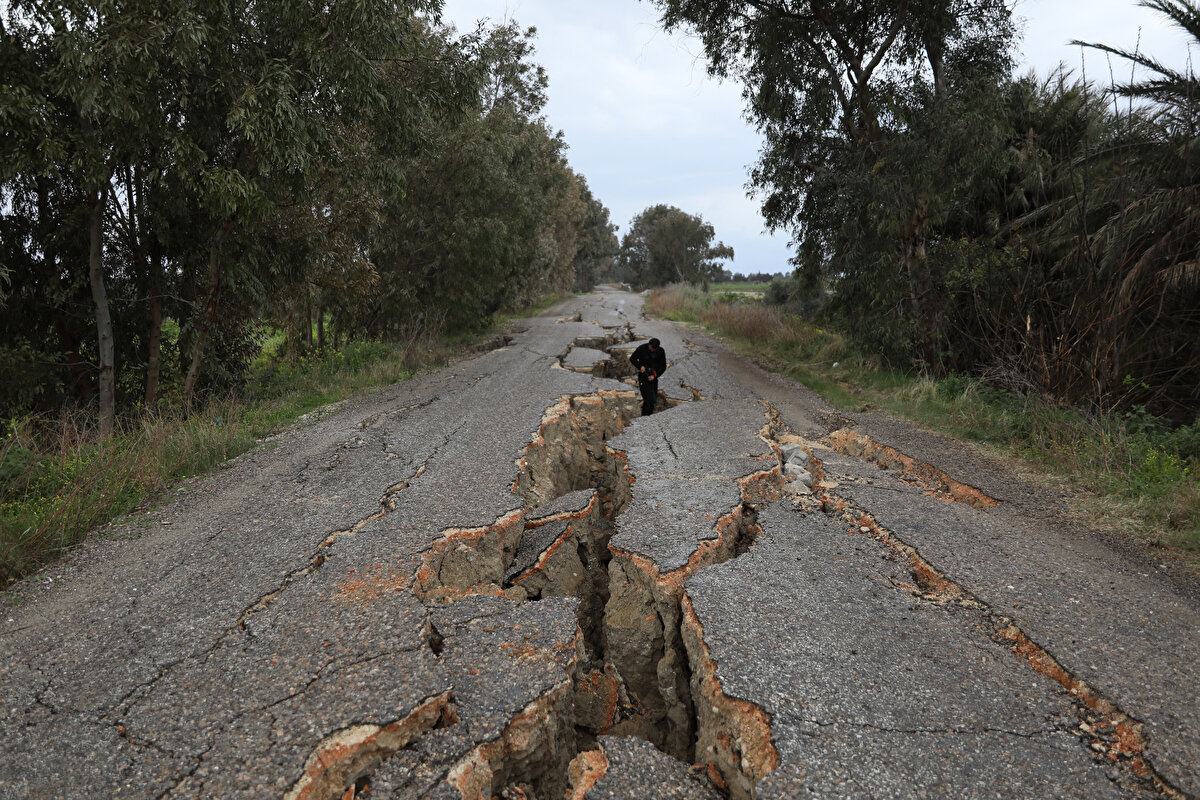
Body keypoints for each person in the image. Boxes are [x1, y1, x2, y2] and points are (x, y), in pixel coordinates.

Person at [629, 338, 666, 416]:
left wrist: (655, 375)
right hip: (643, 376)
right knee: (646, 399)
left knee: (653, 398)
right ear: (649, 345)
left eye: (654, 349)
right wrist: (640, 366)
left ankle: (650, 416)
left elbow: (663, 366)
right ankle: (644, 417)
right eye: (651, 348)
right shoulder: (642, 348)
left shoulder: (660, 351)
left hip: (654, 377)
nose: (652, 350)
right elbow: (632, 359)